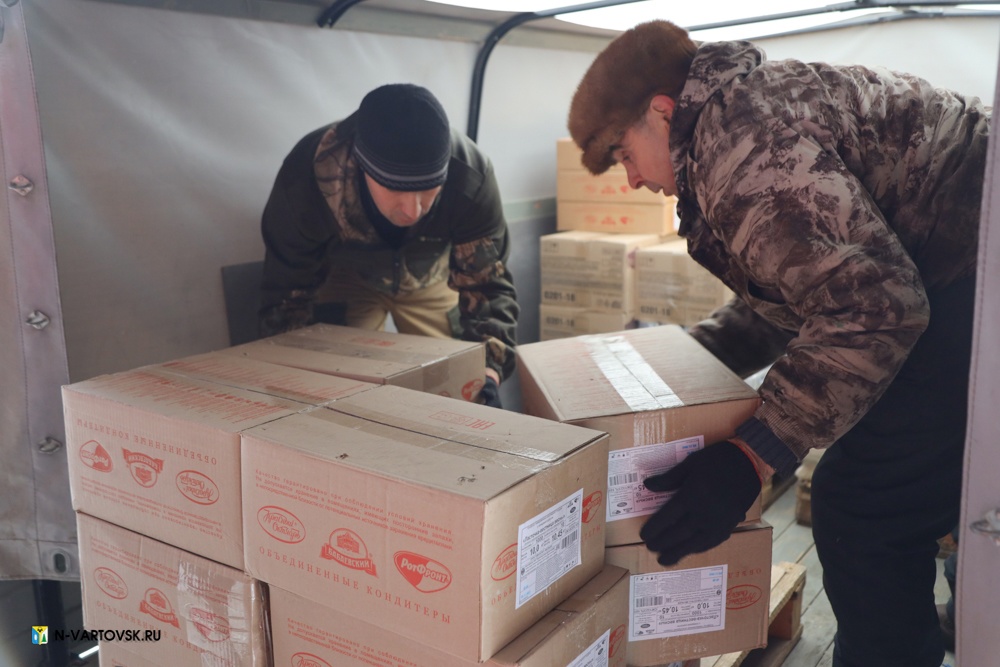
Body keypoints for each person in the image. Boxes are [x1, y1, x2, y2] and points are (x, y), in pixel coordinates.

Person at [568, 20, 987, 667]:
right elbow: (804, 285)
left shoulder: (741, 149)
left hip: (974, 269)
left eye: (624, 155)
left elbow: (876, 307)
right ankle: (976, 611)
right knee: (942, 475)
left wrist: (754, 453)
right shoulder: (737, 116)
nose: (631, 181)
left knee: (862, 508)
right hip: (957, 263)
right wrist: (691, 357)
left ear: (662, 113)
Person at [258, 83, 519, 407]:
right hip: (348, 274)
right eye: (396, 189)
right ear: (362, 167)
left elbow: (488, 286)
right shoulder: (309, 175)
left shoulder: (470, 175)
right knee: (342, 388)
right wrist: (293, 384)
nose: (413, 210)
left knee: (456, 379)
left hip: (431, 274)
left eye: (429, 190)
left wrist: (488, 373)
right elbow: (287, 289)